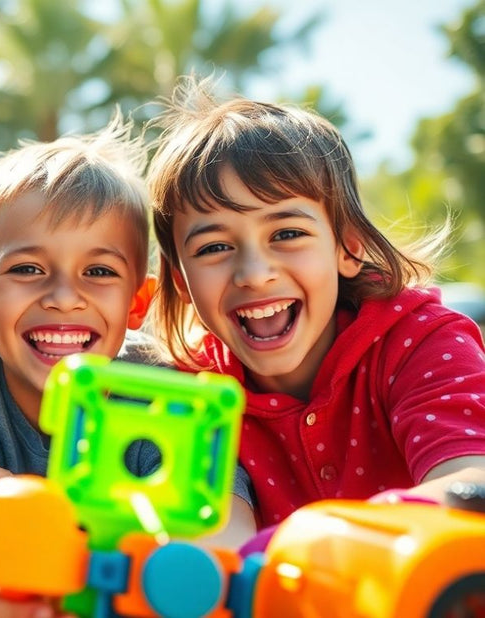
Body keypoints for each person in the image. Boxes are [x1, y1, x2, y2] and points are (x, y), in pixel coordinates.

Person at [0, 112, 257, 618]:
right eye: (28, 269)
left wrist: (55, 521)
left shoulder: (162, 391)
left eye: (98, 271)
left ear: (138, 303)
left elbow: (226, 524)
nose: (64, 298)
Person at [147, 78, 485, 527]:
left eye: (286, 234)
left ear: (348, 246)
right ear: (182, 281)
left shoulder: (420, 340)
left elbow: (469, 483)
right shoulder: (192, 390)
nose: (254, 273)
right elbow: (216, 543)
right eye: (213, 248)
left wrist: (329, 535)